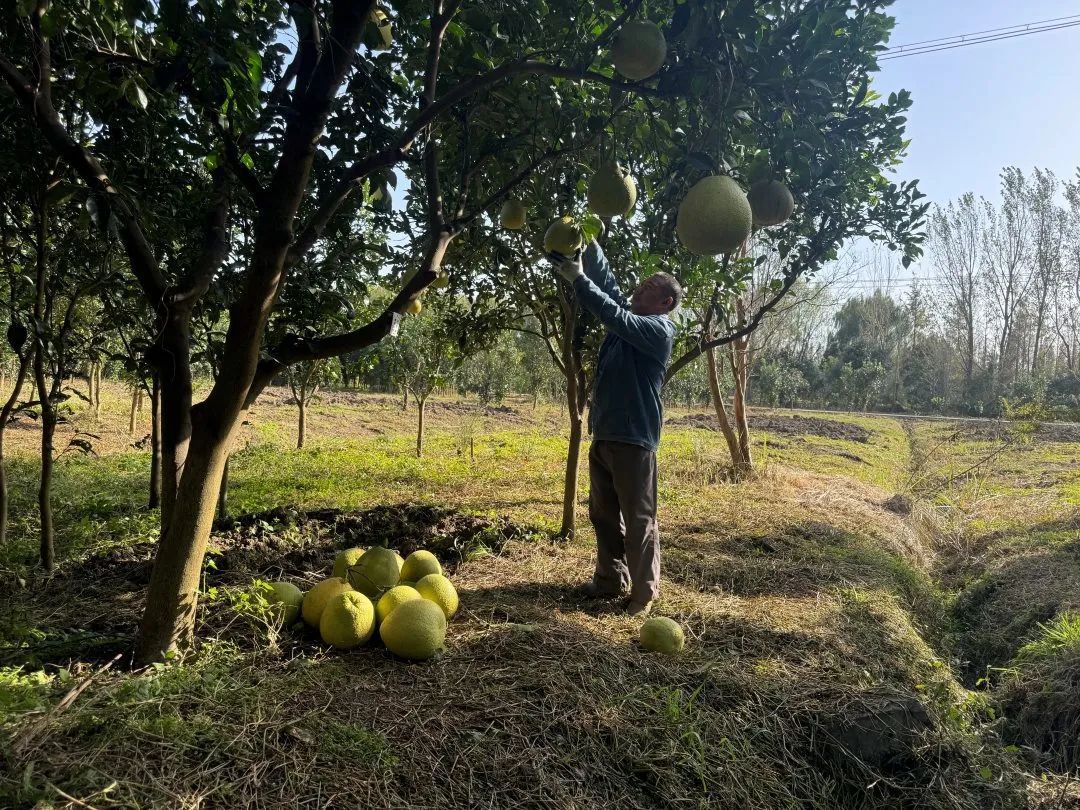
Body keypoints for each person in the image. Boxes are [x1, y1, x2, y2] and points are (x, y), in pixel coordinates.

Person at [547, 239, 682, 616]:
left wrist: (577, 279)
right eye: (639, 286)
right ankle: (609, 579)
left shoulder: (657, 331)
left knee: (639, 519)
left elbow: (612, 311)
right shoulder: (633, 321)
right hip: (605, 433)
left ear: (665, 303)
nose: (637, 291)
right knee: (603, 514)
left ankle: (643, 594)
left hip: (634, 440)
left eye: (647, 289)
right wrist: (588, 244)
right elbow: (607, 285)